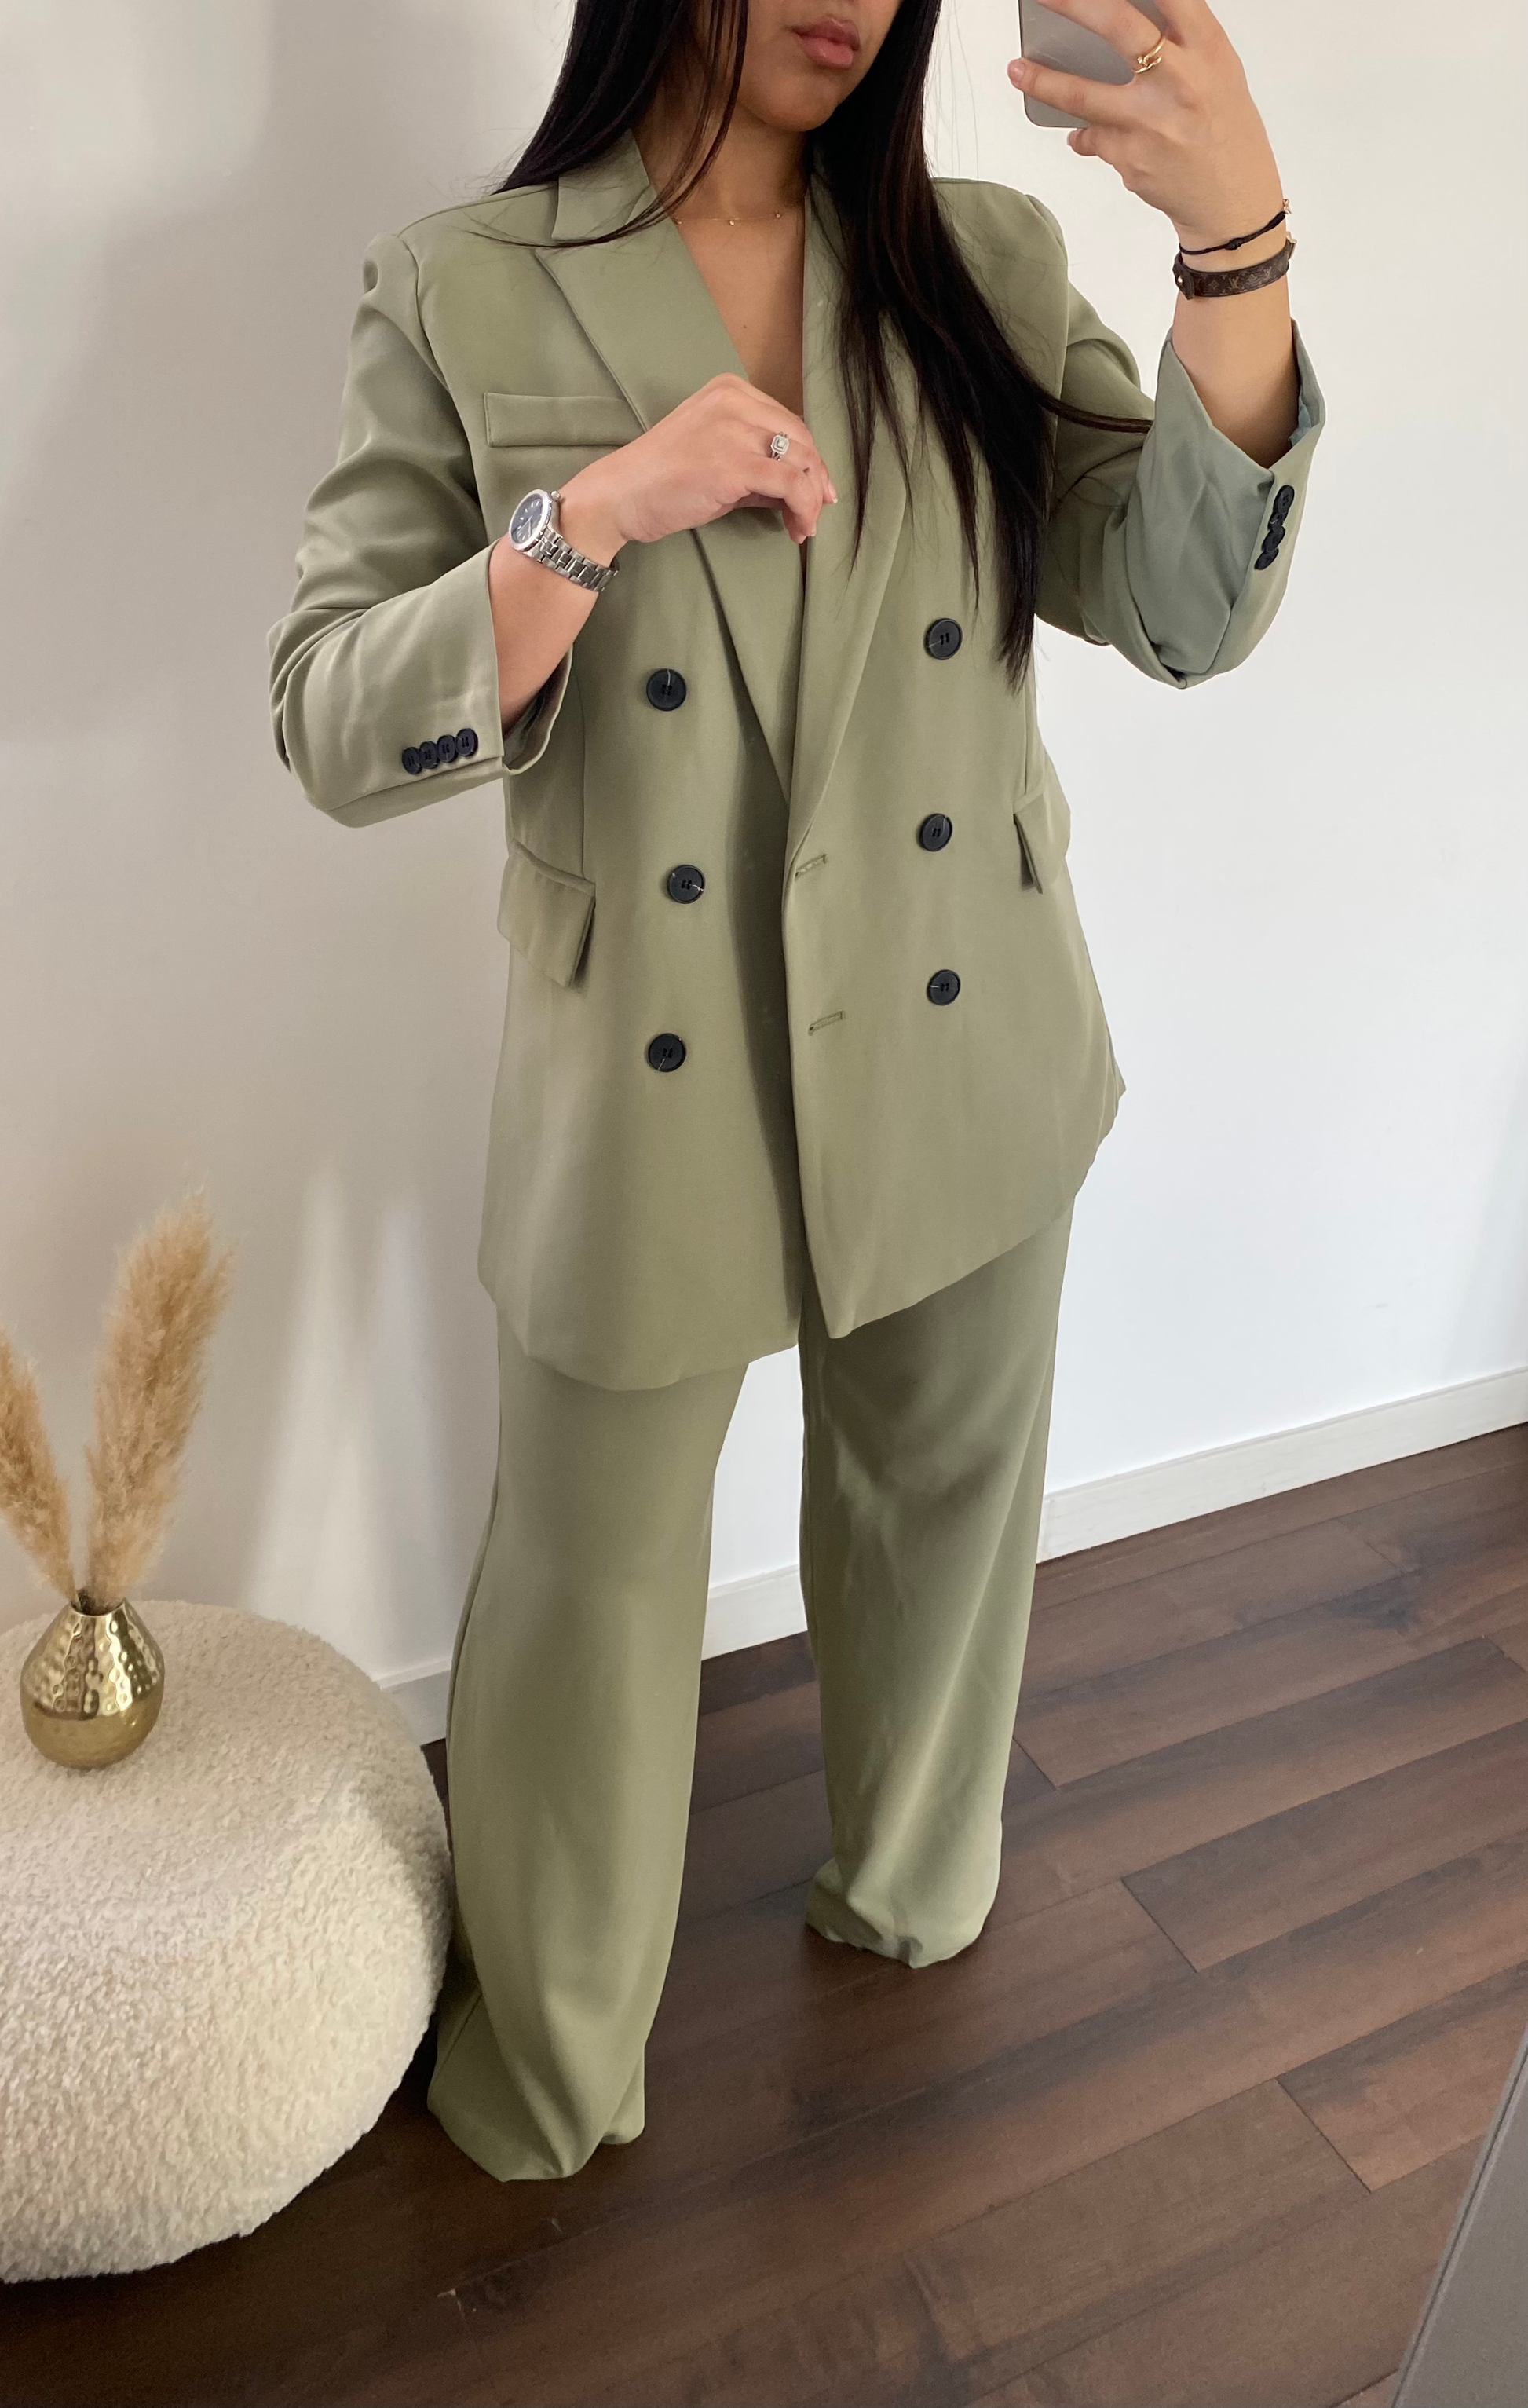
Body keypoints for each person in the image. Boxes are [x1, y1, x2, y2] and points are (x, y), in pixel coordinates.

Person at [268, 0, 1323, 2184]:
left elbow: (1179, 608)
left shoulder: (983, 268)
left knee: (945, 1511)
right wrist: (586, 520)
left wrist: (1239, 256)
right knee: (587, 1596)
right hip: (647, 1070)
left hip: (963, 1023)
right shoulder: (464, 282)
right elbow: (332, 722)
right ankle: (551, 2065)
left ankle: (916, 1890)